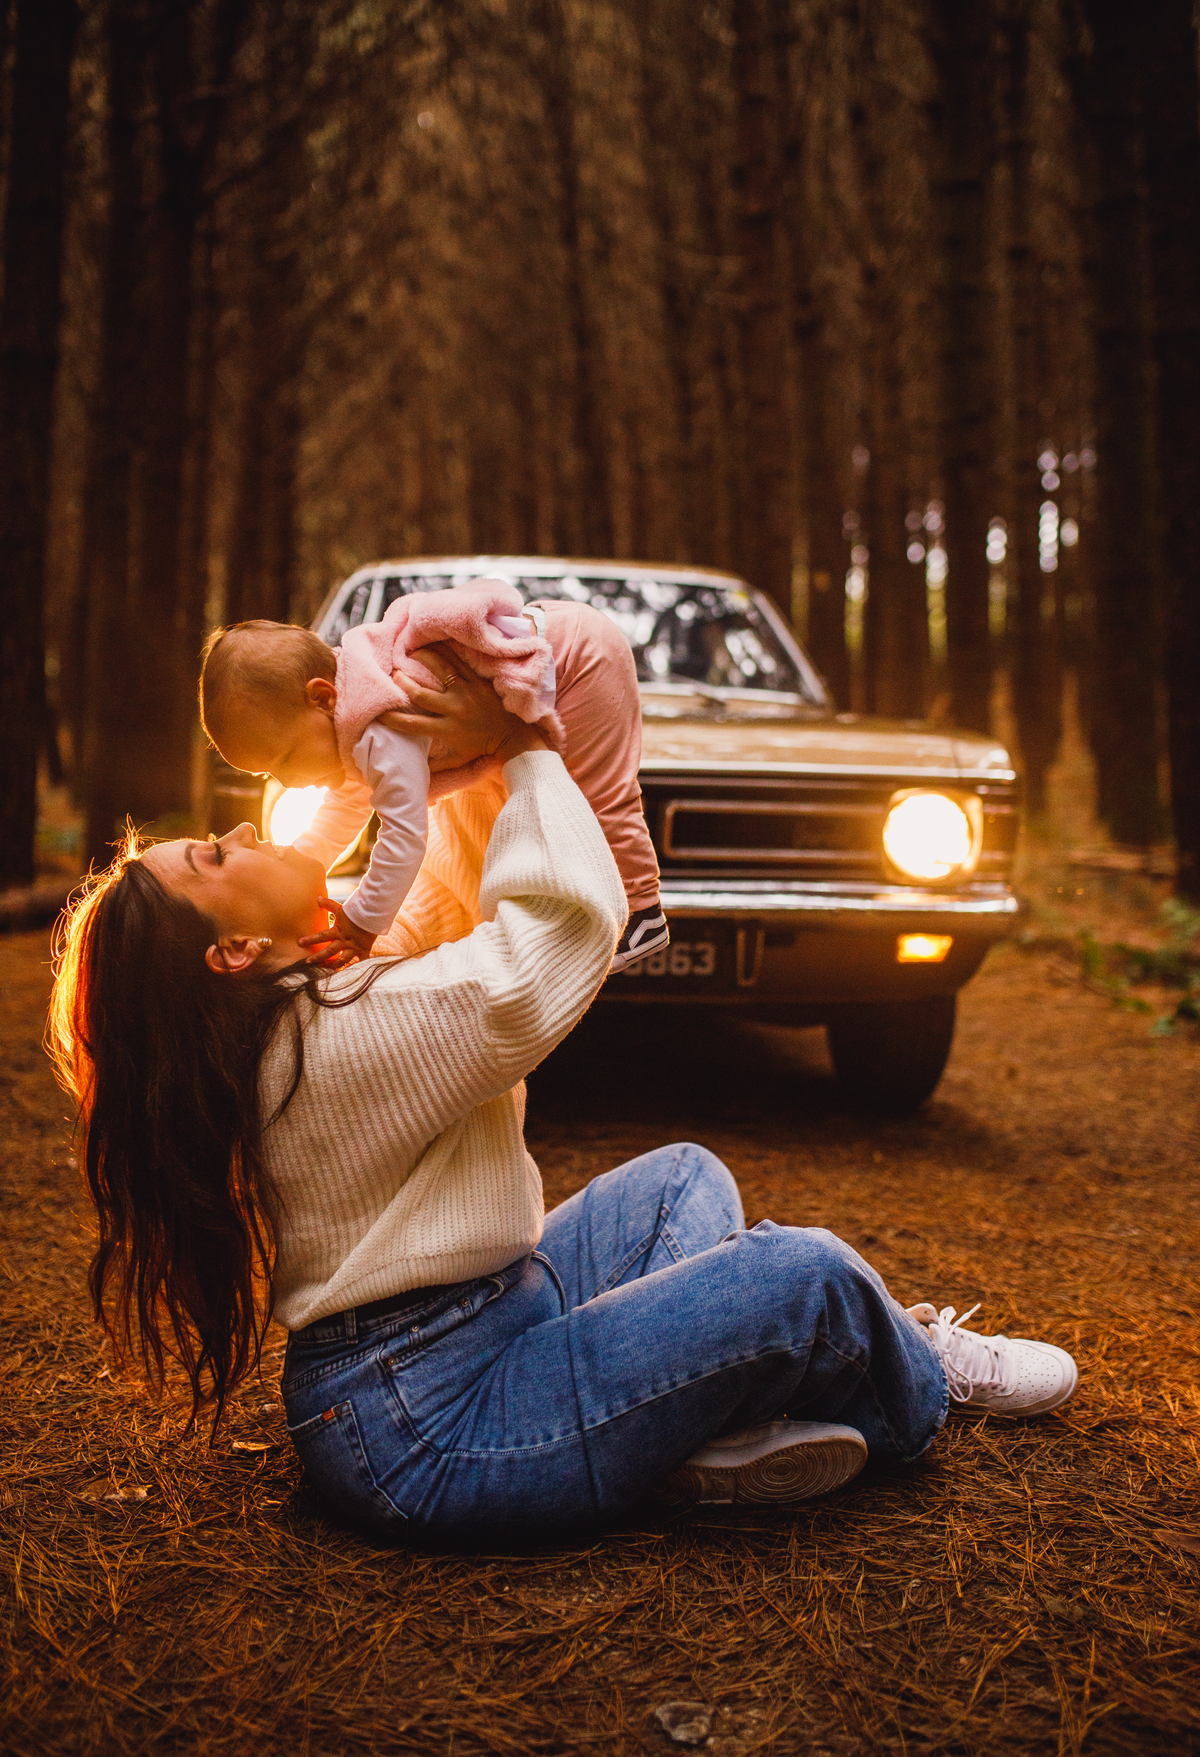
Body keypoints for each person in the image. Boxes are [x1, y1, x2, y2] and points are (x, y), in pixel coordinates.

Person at [48, 665, 1078, 1546]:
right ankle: (916, 1378)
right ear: (234, 951)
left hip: (486, 1317)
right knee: (806, 1279)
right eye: (215, 857)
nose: (237, 828)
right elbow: (545, 947)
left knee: (681, 1184)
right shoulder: (333, 1038)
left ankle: (676, 1436)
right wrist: (530, 747)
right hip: (428, 1424)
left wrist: (450, 753)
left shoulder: (304, 1008)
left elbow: (445, 908)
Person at [198, 580, 669, 972]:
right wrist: (305, 860)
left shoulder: (383, 724)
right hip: (555, 633)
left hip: (576, 660)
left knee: (598, 798)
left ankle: (641, 912)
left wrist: (362, 922)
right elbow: (347, 805)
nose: (286, 781)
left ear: (322, 698)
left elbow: (404, 834)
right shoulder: (350, 716)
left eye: (284, 759)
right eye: (269, 774)